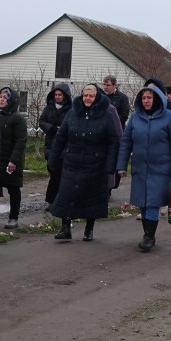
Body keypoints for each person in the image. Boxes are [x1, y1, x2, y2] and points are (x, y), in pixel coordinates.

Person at [116, 83, 171, 252]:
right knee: (142, 203)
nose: (146, 101)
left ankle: (148, 236)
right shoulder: (135, 117)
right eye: (144, 98)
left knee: (153, 202)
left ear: (157, 99)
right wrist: (121, 165)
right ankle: (149, 234)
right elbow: (126, 142)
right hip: (140, 168)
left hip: (161, 168)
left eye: (149, 97)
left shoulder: (169, 117)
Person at [48, 83, 121, 241]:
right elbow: (61, 137)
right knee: (67, 195)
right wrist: (53, 158)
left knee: (91, 198)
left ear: (97, 97)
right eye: (85, 95)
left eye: (91, 96)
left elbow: (113, 142)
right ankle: (65, 228)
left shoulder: (106, 116)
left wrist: (110, 166)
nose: (88, 98)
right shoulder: (72, 113)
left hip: (95, 164)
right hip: (71, 162)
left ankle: (89, 229)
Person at [0, 86, 26, 229]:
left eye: (5, 97)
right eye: (0, 96)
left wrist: (13, 160)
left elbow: (21, 141)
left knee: (13, 189)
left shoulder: (17, 118)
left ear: (12, 100)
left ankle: (13, 217)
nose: (2, 99)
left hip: (11, 160)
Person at [39, 83, 72, 207]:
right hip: (51, 144)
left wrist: (63, 129)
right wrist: (52, 128)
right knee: (53, 172)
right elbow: (42, 121)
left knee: (59, 174)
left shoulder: (71, 109)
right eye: (56, 94)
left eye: (60, 95)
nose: (57, 97)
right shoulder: (49, 107)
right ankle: (53, 199)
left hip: (64, 146)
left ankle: (53, 200)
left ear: (65, 95)